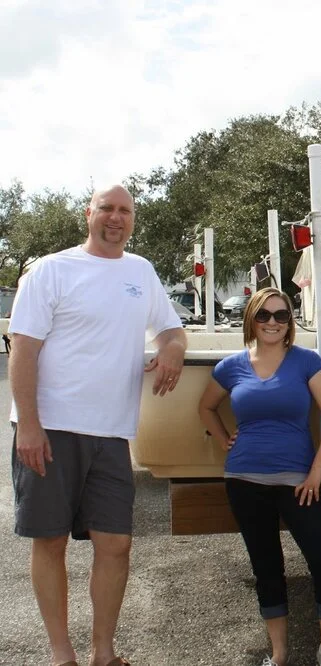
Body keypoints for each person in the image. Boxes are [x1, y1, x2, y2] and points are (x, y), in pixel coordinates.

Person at [8, 184, 186, 666]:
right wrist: (28, 423)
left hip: (112, 434)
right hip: (51, 428)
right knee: (51, 541)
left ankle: (103, 654)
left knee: (117, 545)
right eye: (106, 208)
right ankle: (62, 654)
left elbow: (171, 328)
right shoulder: (52, 270)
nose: (115, 217)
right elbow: (23, 348)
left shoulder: (141, 272)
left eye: (124, 210)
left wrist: (172, 348)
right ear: (89, 214)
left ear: (133, 219)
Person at [198, 287, 321, 666]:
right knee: (267, 567)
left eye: (281, 315)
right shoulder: (231, 366)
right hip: (244, 481)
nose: (272, 322)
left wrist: (316, 471)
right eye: (264, 315)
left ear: (290, 322)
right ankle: (278, 655)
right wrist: (223, 441)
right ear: (251, 318)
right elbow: (206, 407)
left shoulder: (306, 362)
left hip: (299, 482)